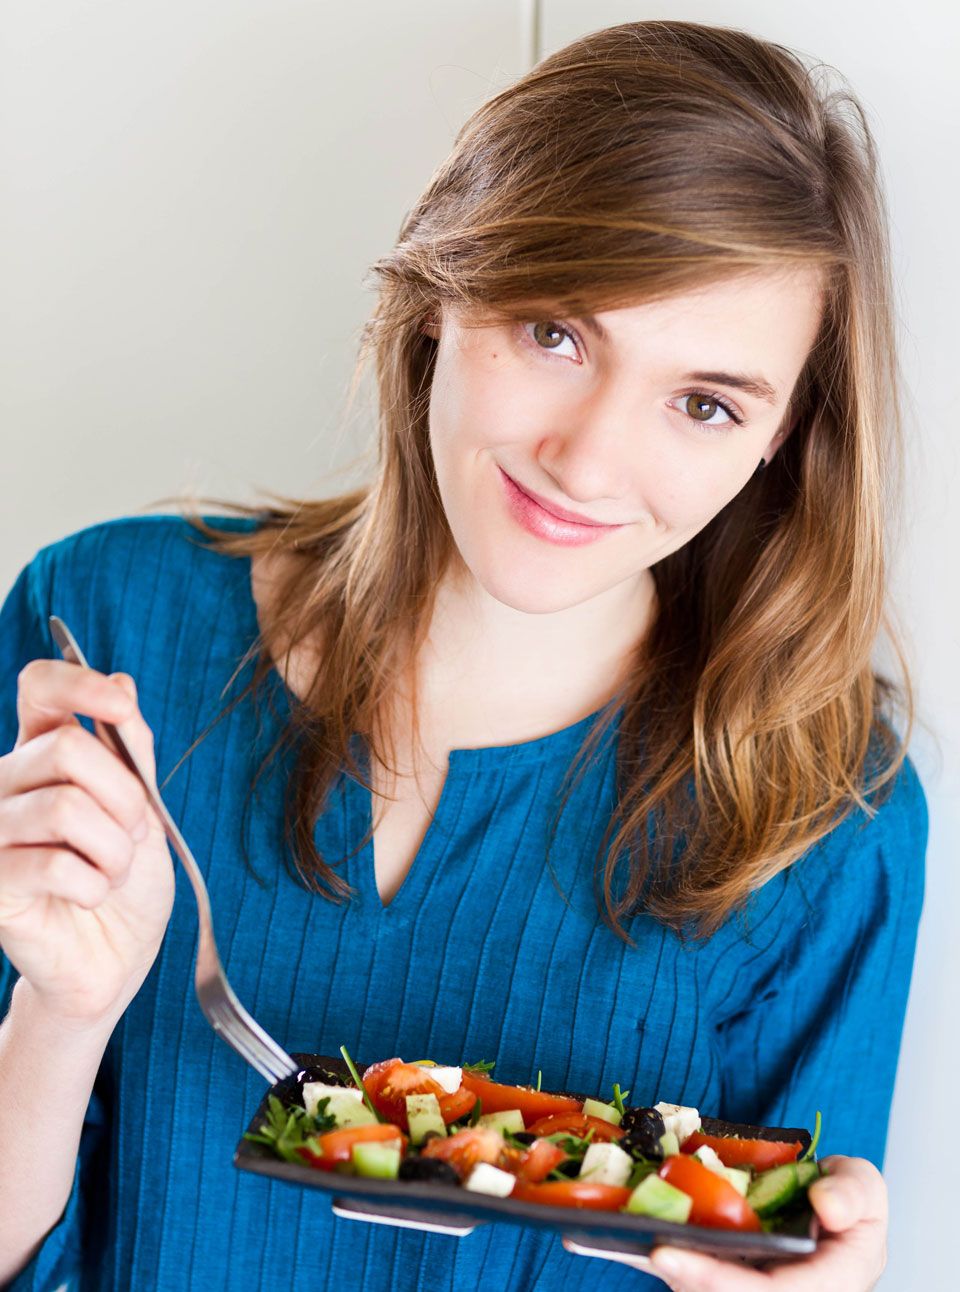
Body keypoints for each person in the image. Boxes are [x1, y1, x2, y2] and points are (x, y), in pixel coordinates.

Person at [0, 18, 926, 1292]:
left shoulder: (832, 821)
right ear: (445, 284)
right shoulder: (100, 620)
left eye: (705, 401)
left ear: (778, 442)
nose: (590, 460)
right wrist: (60, 1014)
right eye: (558, 332)